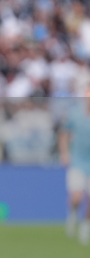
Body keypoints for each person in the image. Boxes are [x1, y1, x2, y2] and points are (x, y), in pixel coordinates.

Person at [59, 93, 90, 246]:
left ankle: (85, 227)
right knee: (77, 197)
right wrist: (64, 153)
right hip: (78, 161)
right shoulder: (75, 114)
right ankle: (72, 215)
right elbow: (64, 134)